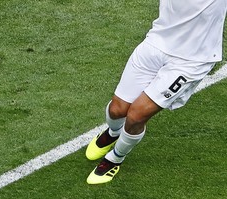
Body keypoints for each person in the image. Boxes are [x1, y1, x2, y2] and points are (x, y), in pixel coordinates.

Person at [85, 0, 227, 184]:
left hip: (191, 60)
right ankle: (113, 133)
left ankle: (116, 158)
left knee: (136, 116)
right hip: (155, 44)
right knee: (117, 110)